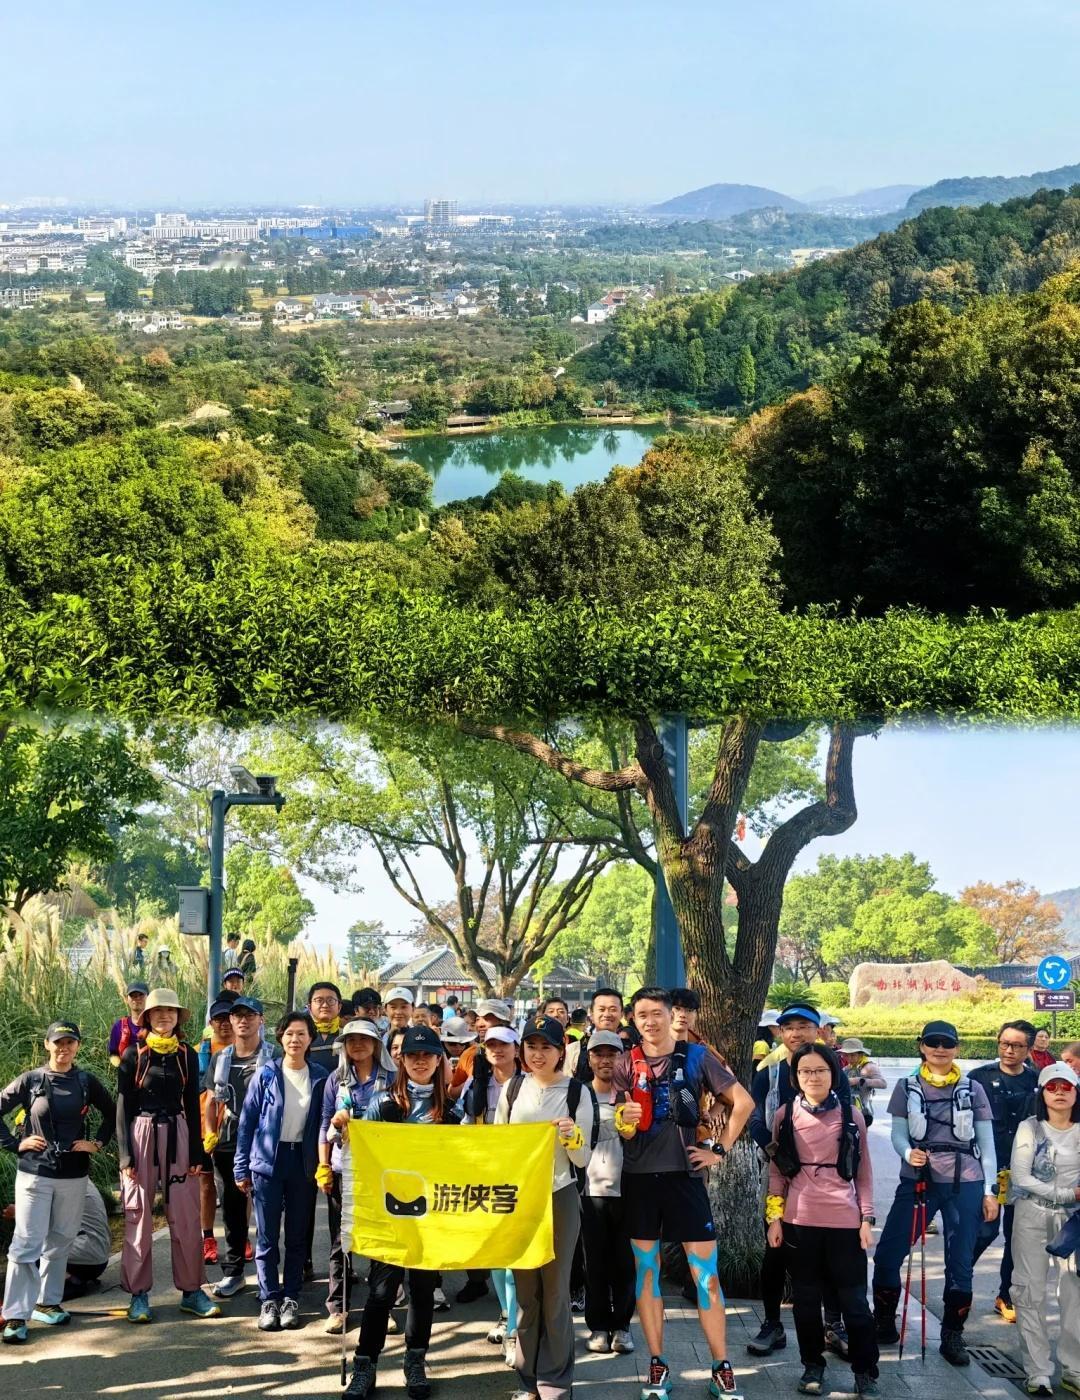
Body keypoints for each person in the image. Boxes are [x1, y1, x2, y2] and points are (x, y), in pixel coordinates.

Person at [615, 986, 754, 1400]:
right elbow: (622, 1124)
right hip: (639, 1179)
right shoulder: (626, 1063)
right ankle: (657, 1364)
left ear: (669, 1014)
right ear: (633, 1020)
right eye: (641, 1014)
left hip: (686, 1178)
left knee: (707, 1279)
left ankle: (721, 1366)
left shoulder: (697, 1057)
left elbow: (742, 1103)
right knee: (646, 1272)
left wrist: (718, 1149)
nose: (650, 1021)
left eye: (656, 1012)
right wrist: (624, 1120)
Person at [343, 1024, 462, 1400]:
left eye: (428, 1055)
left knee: (423, 1290)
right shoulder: (384, 1103)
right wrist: (347, 1132)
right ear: (401, 1059)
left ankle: (416, 1360)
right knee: (381, 1291)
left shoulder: (451, 1111)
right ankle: (366, 1364)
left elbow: (462, 1162)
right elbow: (366, 1155)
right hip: (390, 1216)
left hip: (430, 1218)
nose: (421, 1062)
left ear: (438, 1059)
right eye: (413, 1055)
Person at [871, 1019, 998, 1367]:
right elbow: (899, 1133)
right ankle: (883, 1321)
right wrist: (905, 1152)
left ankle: (953, 1336)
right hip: (918, 1179)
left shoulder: (973, 1089)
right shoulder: (906, 1086)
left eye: (947, 1043)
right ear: (921, 1046)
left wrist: (989, 1191)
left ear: (957, 1048)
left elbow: (986, 1144)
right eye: (933, 1042)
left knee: (960, 1263)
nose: (940, 1049)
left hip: (966, 1181)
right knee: (887, 1254)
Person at [767, 1044, 878, 1397]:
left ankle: (866, 1371)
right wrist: (774, 1218)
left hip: (844, 1221)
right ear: (795, 1077)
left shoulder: (851, 1114)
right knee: (804, 1302)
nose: (813, 1077)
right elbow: (776, 1172)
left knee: (856, 1303)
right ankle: (812, 1365)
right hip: (799, 1220)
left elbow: (864, 1172)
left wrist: (866, 1219)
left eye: (820, 1070)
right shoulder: (785, 1115)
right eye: (805, 1072)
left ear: (834, 1073)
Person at [496, 1013, 594, 1400]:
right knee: (526, 1293)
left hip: (560, 1195)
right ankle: (527, 1377)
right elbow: (498, 1146)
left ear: (560, 1052)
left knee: (555, 1291)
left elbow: (584, 1159)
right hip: (519, 1199)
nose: (538, 1054)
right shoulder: (512, 1089)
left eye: (546, 1047)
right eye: (531, 1046)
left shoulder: (577, 1093)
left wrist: (572, 1137)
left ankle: (554, 1380)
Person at [749, 1004, 854, 1360]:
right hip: (783, 1176)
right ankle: (772, 1324)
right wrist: (773, 1147)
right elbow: (752, 1116)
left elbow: (851, 1123)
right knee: (775, 1252)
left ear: (818, 1030)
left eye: (804, 1026)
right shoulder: (769, 1072)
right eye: (788, 1027)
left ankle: (833, 1325)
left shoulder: (833, 1070)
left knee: (830, 1257)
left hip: (830, 1185)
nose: (796, 1033)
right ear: (779, 1033)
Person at [0, 1021, 114, 1344]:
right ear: (47, 1045)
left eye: (70, 1043)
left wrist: (97, 1144)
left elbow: (111, 1113)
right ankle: (15, 1317)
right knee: (26, 1243)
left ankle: (48, 1302)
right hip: (35, 1173)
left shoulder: (86, 1082)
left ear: (77, 1046)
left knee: (61, 1239)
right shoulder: (32, 1080)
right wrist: (14, 1143)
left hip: (73, 1175)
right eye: (58, 1043)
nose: (64, 1049)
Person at [116, 988, 219, 1323]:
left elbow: (192, 1102)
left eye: (171, 1012)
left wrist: (198, 1153)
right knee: (138, 1215)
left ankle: (191, 1292)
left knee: (186, 1215)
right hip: (142, 1131)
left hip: (178, 1131)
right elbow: (123, 1106)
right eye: (158, 1012)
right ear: (147, 1016)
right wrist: (124, 1155)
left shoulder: (186, 1054)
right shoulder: (134, 1053)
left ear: (178, 1018)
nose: (165, 1017)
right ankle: (138, 1295)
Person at [234, 1009, 329, 1332]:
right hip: (267, 1164)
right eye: (289, 1034)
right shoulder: (266, 1074)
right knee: (267, 1236)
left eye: (301, 1033)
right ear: (280, 1038)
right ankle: (268, 1298)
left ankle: (291, 1297)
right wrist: (241, 1166)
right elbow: (247, 1123)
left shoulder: (320, 1077)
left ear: (310, 1039)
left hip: (302, 1163)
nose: (295, 1039)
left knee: (298, 1235)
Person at [318, 1017, 395, 1334]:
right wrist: (323, 1165)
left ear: (377, 1043)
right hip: (342, 1168)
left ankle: (383, 1307)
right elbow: (323, 1125)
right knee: (340, 1240)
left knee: (382, 1241)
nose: (358, 1045)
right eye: (351, 1040)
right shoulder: (335, 1080)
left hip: (381, 1171)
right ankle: (338, 1308)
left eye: (364, 1039)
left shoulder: (392, 1077)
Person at [1009, 1061, 1080, 1398]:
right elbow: (1021, 1177)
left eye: (1066, 1086)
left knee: (1074, 1294)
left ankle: (1074, 1369)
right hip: (1032, 1217)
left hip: (1074, 1223)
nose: (1060, 1092)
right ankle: (1037, 1371)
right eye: (1052, 1087)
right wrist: (1066, 1193)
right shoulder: (1029, 1128)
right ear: (1042, 1093)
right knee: (1028, 1293)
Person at [203, 995, 277, 1299]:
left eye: (249, 1015)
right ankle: (233, 1273)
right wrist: (210, 1133)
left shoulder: (275, 1055)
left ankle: (267, 1274)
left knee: (267, 1210)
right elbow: (211, 1100)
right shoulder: (221, 1059)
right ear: (230, 1022)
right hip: (229, 1140)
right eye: (237, 1016)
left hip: (267, 1139)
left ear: (261, 1020)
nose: (242, 1021)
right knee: (232, 1209)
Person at [970, 1020, 1040, 1322]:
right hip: (985, 1168)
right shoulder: (978, 1078)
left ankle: (1005, 1295)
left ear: (1029, 1048)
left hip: (1024, 1170)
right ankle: (957, 1281)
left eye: (1017, 1046)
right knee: (983, 1231)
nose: (1009, 1050)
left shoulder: (1038, 1081)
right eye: (1004, 1044)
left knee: (1017, 1237)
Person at [462, 1023, 523, 1368]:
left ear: (517, 1050)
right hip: (487, 1178)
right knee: (496, 1254)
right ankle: (505, 1311)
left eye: (504, 1046)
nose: (497, 1051)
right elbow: (466, 1126)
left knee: (514, 1256)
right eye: (491, 1046)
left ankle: (515, 1325)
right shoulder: (476, 1085)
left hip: (520, 1177)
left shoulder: (528, 1085)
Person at [581, 1029, 636, 1357]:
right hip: (590, 1192)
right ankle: (598, 1326)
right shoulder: (580, 1096)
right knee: (595, 1264)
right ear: (589, 1058)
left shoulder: (631, 1095)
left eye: (612, 1054)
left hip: (628, 1190)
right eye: (599, 1054)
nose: (606, 1060)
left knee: (625, 1264)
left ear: (621, 1058)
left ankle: (623, 1326)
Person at [196, 995, 236, 1264]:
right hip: (205, 1126)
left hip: (235, 1128)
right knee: (207, 1185)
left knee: (239, 1185)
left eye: (228, 1018)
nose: (224, 1024)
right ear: (211, 1023)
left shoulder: (247, 1048)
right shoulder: (204, 1049)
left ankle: (240, 1237)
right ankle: (207, 1237)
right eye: (218, 1019)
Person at [567, 988, 633, 1080]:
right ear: (592, 1014)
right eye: (601, 1009)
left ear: (621, 1014)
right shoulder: (573, 1051)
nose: (607, 1014)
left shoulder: (631, 1051)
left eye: (613, 1009)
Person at [62, 1178, 111, 1299]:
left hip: (85, 1259)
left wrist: (19, 1213)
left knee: (30, 1247)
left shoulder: (60, 1181)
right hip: (99, 1259)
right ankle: (69, 1277)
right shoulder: (80, 1177)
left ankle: (69, 1282)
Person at [838, 1038, 886, 1129]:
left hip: (861, 1111)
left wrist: (859, 1080)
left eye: (852, 1055)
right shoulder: (846, 1068)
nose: (849, 1058)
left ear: (861, 1054)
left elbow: (883, 1083)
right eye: (846, 1055)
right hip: (845, 1109)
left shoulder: (869, 1067)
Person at [108, 982, 148, 1067]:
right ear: (126, 999)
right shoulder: (119, 1026)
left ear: (148, 997)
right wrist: (122, 1067)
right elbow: (113, 1053)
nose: (137, 998)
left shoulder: (155, 1024)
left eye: (141, 995)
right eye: (133, 995)